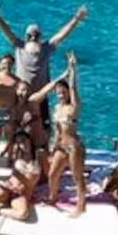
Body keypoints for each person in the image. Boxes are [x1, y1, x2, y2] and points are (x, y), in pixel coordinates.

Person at [0, 0, 88, 135]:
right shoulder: (19, 46)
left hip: (42, 96)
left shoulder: (47, 48)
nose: (33, 38)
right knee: (18, 130)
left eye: (36, 35)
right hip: (21, 97)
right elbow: (6, 31)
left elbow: (62, 35)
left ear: (40, 37)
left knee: (43, 130)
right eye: (29, 35)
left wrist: (76, 19)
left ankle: (41, 153)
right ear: (26, 37)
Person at [41, 54, 88, 217]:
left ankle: (81, 206)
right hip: (60, 145)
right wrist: (53, 148)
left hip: (73, 146)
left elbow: (74, 87)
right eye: (58, 92)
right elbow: (56, 131)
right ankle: (53, 197)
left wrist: (73, 68)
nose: (60, 95)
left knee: (77, 177)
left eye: (63, 92)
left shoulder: (74, 107)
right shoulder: (56, 108)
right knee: (52, 174)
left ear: (68, 93)